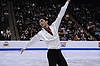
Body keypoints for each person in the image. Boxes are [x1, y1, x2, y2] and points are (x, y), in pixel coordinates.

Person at [20, 0, 70, 66]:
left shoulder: (54, 25)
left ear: (46, 21)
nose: (41, 23)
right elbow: (33, 40)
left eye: (42, 21)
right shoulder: (41, 33)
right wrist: (25, 47)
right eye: (40, 22)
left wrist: (66, 3)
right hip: (51, 53)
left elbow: (60, 15)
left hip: (59, 52)